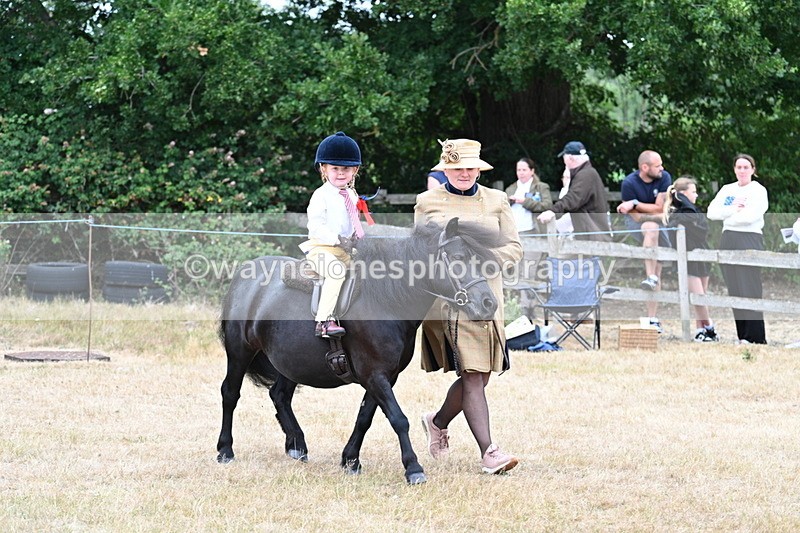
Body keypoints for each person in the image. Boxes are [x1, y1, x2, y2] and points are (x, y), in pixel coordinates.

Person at [415, 138, 523, 475]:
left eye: (470, 167)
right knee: (473, 376)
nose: (464, 173)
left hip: (486, 298)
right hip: (447, 302)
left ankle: (437, 421)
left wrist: (487, 261)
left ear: (479, 169)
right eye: (457, 167)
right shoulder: (427, 201)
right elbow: (417, 250)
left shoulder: (497, 200)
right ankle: (489, 453)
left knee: (481, 376)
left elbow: (515, 247)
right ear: (445, 168)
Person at [299, 132, 365, 339]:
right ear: (323, 169)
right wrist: (338, 239)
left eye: (345, 169)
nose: (340, 173)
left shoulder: (352, 195)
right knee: (336, 271)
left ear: (355, 170)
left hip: (347, 250)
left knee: (373, 271)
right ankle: (324, 321)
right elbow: (316, 226)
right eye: (335, 168)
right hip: (322, 249)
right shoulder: (321, 195)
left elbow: (353, 222)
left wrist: (356, 237)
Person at [707, 153, 769, 345]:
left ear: (752, 170)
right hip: (728, 238)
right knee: (734, 287)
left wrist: (728, 216)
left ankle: (755, 337)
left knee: (748, 286)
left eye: (746, 167)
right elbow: (712, 212)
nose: (742, 171)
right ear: (734, 169)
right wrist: (733, 210)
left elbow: (750, 216)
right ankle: (742, 335)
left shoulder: (758, 190)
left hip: (749, 238)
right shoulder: (727, 190)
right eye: (739, 167)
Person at [616, 150, 672, 332]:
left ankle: (652, 317)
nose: (662, 168)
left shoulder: (664, 178)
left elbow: (659, 208)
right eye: (658, 166)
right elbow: (638, 218)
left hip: (661, 223)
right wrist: (639, 209)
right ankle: (650, 277)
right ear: (644, 167)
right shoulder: (629, 183)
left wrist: (634, 203)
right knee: (650, 227)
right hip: (637, 224)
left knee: (658, 269)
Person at [663, 176, 718, 342]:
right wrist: (681, 200)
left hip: (701, 256)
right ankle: (710, 329)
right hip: (688, 260)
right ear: (682, 195)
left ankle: (700, 329)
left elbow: (703, 229)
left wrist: (692, 223)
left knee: (701, 297)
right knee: (698, 296)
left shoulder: (690, 211)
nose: (696, 196)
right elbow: (691, 221)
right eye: (692, 192)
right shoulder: (676, 214)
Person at [536, 141, 611, 242]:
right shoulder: (588, 173)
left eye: (564, 158)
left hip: (593, 237)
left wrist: (553, 211)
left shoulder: (585, 175)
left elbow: (573, 198)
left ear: (570, 158)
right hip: (592, 235)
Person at [504, 157, 553, 234]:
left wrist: (525, 201)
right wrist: (509, 201)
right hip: (513, 231)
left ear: (532, 171)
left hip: (532, 230)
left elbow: (547, 206)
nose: (521, 173)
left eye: (524, 170)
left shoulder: (541, 187)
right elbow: (502, 208)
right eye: (519, 170)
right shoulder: (510, 189)